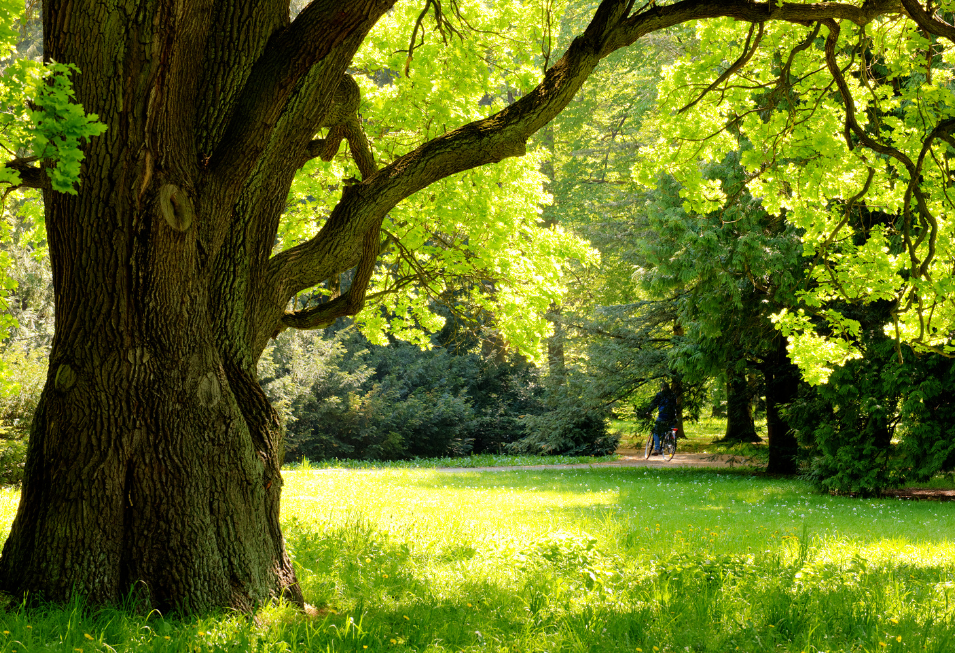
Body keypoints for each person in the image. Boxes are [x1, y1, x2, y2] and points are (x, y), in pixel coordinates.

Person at [648, 380, 677, 455]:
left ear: (662, 388)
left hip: (662, 416)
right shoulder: (673, 395)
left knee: (656, 431)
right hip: (672, 417)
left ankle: (657, 448)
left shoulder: (659, 395)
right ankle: (670, 440)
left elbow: (654, 404)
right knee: (671, 428)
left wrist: (648, 411)